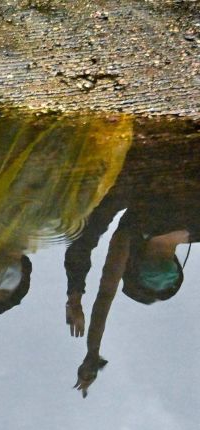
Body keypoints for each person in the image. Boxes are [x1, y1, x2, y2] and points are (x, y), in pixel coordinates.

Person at [0, 111, 132, 371]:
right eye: (6, 288)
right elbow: (91, 179)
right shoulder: (59, 221)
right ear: (23, 277)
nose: (0, 281)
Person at [64, 118, 200, 396]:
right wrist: (75, 298)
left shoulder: (133, 229)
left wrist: (92, 348)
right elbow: (103, 291)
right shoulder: (136, 226)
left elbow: (104, 294)